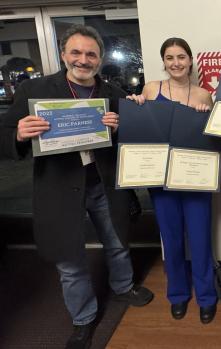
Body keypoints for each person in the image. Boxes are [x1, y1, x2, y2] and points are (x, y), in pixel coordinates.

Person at [0, 24, 153, 349]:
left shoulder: (112, 92)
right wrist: (18, 134)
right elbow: (3, 137)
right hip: (59, 187)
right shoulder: (34, 91)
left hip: (104, 184)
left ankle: (124, 287)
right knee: (70, 261)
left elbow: (132, 139)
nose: (83, 60)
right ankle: (83, 319)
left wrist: (122, 127)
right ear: (63, 54)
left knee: (117, 241)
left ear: (98, 58)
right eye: (76, 52)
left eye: (90, 54)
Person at [127, 37, 217, 324]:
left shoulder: (204, 95)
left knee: (201, 240)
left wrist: (206, 116)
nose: (176, 63)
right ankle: (177, 295)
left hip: (194, 180)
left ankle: (206, 297)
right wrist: (137, 105)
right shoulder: (152, 89)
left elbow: (212, 140)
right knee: (172, 239)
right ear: (163, 62)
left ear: (190, 60)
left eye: (181, 57)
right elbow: (142, 129)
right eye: (169, 57)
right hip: (161, 179)